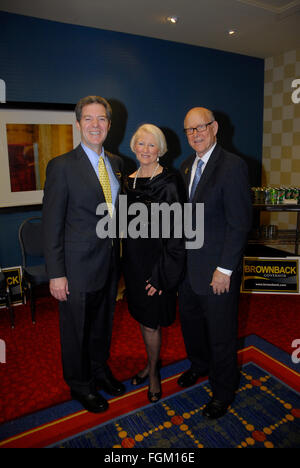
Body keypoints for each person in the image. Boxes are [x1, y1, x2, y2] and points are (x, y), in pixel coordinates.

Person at [42, 95, 125, 413]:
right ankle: (80, 385)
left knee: (103, 325)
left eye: (101, 119)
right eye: (88, 119)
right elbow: (51, 225)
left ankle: (100, 371)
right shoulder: (61, 167)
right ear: (78, 124)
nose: (95, 124)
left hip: (108, 264)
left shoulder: (117, 164)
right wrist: (56, 272)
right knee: (76, 330)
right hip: (75, 270)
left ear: (109, 124)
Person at [178, 107, 252, 419]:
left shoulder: (232, 165)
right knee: (192, 327)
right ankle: (199, 365)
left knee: (221, 334)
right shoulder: (185, 167)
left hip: (218, 272)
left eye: (201, 127)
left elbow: (240, 223)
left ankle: (223, 391)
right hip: (188, 269)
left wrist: (225, 270)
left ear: (215, 127)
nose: (195, 134)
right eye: (189, 130)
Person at [122, 124, 185, 403]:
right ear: (134, 147)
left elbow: (177, 234)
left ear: (160, 150)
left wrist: (162, 275)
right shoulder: (127, 180)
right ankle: (150, 362)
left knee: (151, 323)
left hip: (158, 265)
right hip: (134, 264)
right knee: (141, 317)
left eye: (152, 145)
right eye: (141, 144)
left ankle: (154, 374)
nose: (146, 150)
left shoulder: (170, 181)